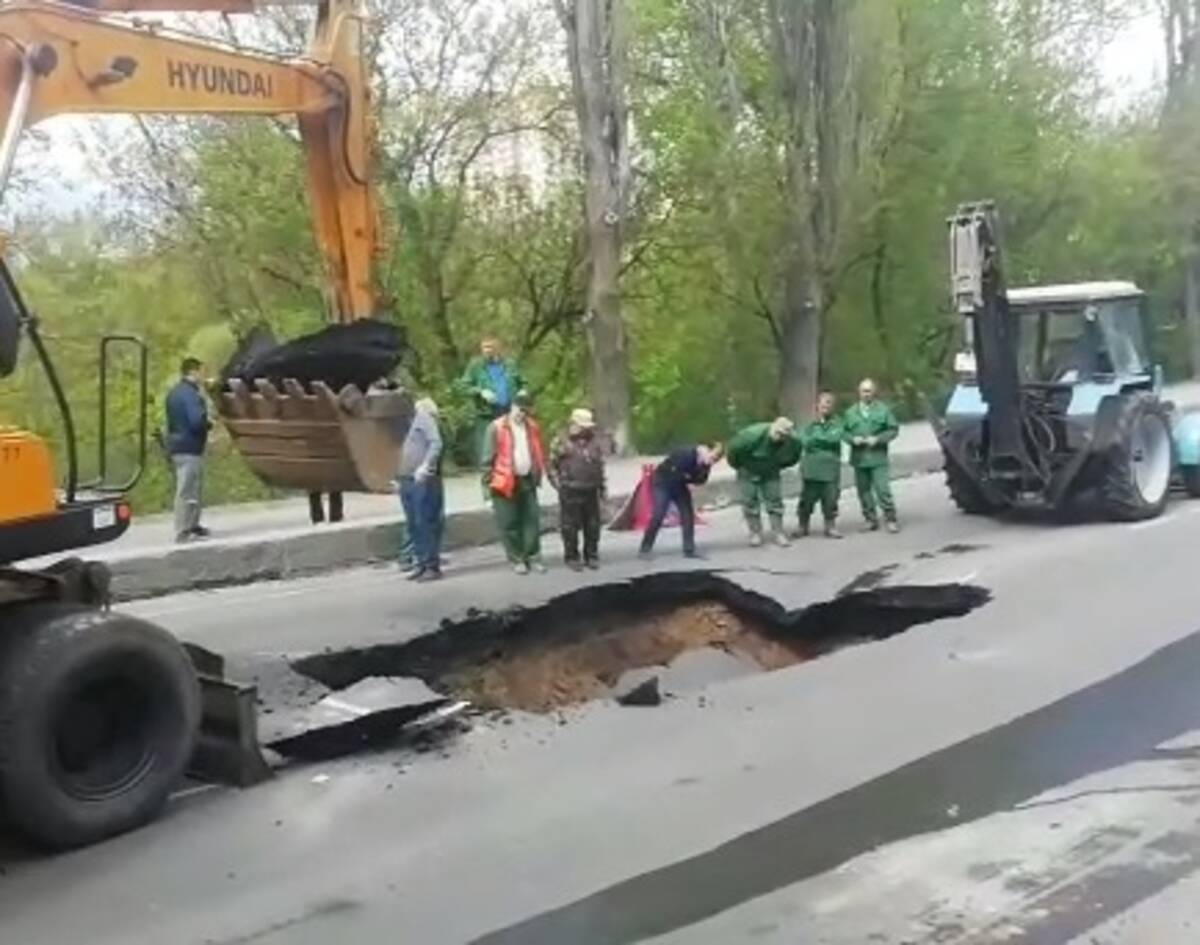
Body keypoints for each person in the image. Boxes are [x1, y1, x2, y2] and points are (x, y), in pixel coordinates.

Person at [483, 392, 547, 575]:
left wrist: (539, 474)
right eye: (519, 409)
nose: (522, 414)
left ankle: (533, 557)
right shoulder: (496, 427)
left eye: (525, 411)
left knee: (531, 520)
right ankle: (517, 558)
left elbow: (537, 451)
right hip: (503, 481)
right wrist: (486, 492)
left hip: (527, 479)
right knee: (509, 523)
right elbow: (486, 462)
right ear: (511, 407)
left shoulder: (532, 427)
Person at [638, 443, 724, 559]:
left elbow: (700, 481)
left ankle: (689, 550)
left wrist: (701, 469)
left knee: (687, 515)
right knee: (658, 514)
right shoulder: (686, 453)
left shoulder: (705, 465)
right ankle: (645, 549)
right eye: (713, 457)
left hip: (679, 485)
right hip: (662, 483)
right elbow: (675, 471)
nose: (712, 461)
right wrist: (688, 476)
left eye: (715, 460)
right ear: (705, 449)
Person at [727, 417, 802, 547]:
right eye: (777, 433)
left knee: (775, 501)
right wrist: (740, 467)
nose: (779, 437)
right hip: (748, 469)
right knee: (750, 502)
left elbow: (794, 456)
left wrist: (779, 465)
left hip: (771, 470)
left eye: (783, 435)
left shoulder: (793, 441)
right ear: (772, 427)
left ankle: (778, 532)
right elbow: (732, 452)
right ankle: (755, 533)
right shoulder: (750, 436)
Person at [549, 408, 607, 571]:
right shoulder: (561, 441)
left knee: (593, 525)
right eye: (582, 426)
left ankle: (592, 555)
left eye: (587, 426)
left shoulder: (594, 441)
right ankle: (572, 557)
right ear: (573, 424)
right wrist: (559, 485)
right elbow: (552, 466)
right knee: (570, 526)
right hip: (570, 489)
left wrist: (602, 487)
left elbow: (599, 465)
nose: (586, 429)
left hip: (591, 488)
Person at [843, 378, 900, 533]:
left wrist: (879, 439)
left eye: (869, 391)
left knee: (883, 490)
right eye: (863, 391)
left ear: (873, 392)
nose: (866, 394)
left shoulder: (883, 410)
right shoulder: (850, 412)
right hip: (859, 458)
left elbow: (893, 429)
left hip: (878, 457)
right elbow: (843, 432)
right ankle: (870, 519)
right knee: (864, 491)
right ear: (858, 392)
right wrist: (852, 439)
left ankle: (891, 518)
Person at [165, 356, 212, 543]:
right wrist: (207, 423)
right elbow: (195, 421)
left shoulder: (175, 393)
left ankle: (193, 524)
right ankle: (183, 530)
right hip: (189, 446)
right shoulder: (190, 395)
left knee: (191, 487)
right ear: (192, 372)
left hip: (178, 445)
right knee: (187, 489)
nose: (203, 376)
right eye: (201, 372)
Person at [397, 397, 445, 582]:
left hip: (422, 479)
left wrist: (425, 466)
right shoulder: (405, 422)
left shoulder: (423, 417)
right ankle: (421, 564)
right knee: (413, 524)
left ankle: (431, 566)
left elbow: (436, 443)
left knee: (424, 522)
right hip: (406, 478)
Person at [460, 337, 527, 466]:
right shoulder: (476, 366)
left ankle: (510, 481)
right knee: (487, 454)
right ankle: (489, 482)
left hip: (509, 413)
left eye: (490, 347)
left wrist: (523, 391)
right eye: (484, 347)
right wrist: (481, 391)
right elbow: (462, 386)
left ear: (498, 348)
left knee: (511, 450)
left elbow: (524, 383)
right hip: (486, 415)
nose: (486, 350)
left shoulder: (510, 364)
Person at [798, 391, 845, 539]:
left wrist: (816, 441)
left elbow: (834, 439)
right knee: (807, 500)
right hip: (811, 469)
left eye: (829, 403)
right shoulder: (808, 423)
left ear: (833, 406)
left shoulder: (838, 422)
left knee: (831, 499)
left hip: (830, 469)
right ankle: (803, 526)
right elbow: (804, 441)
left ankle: (830, 526)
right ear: (817, 405)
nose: (825, 406)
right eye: (823, 403)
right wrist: (822, 440)